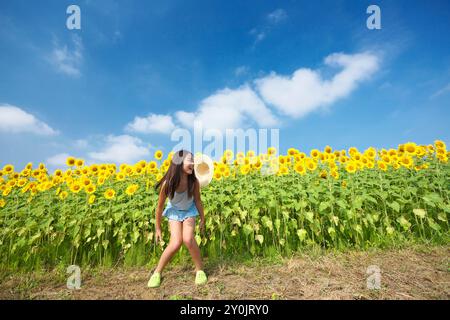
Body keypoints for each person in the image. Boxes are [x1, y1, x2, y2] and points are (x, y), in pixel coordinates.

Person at [147, 150, 207, 288]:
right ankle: (157, 272)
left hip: (189, 211)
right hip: (174, 212)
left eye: (193, 160)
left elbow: (198, 201)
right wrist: (157, 228)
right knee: (175, 243)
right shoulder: (167, 184)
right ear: (179, 163)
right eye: (189, 160)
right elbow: (159, 208)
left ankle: (199, 270)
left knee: (188, 239)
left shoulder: (194, 182)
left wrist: (202, 218)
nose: (193, 163)